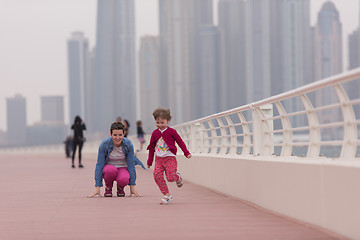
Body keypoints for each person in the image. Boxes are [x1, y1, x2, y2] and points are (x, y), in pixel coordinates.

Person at [88, 121, 145, 198]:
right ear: (110, 134)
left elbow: (131, 165)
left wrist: (132, 186)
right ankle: (108, 188)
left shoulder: (128, 144)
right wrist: (97, 187)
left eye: (120, 135)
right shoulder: (104, 144)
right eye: (115, 135)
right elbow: (99, 165)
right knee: (111, 170)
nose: (117, 138)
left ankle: (120, 188)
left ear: (124, 134)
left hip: (123, 167)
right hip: (109, 168)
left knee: (124, 178)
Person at [147, 107, 192, 204]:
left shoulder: (172, 132)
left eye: (162, 122)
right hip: (159, 158)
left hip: (169, 158)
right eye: (157, 122)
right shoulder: (155, 133)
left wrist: (186, 153)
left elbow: (180, 142)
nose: (160, 125)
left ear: (168, 121)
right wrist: (149, 161)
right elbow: (151, 148)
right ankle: (167, 195)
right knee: (157, 176)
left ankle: (177, 177)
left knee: (170, 178)